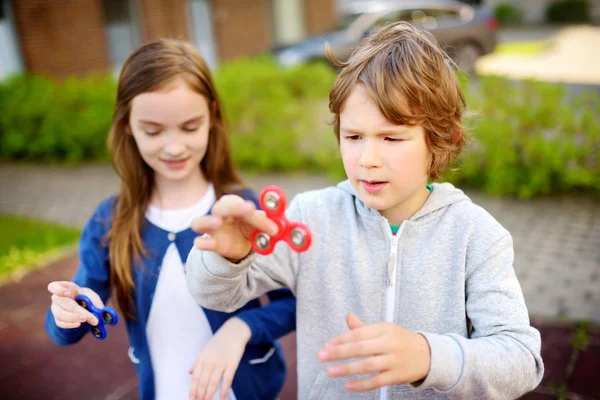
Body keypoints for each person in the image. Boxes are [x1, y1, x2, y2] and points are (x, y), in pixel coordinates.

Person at [185, 22, 544, 399]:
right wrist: (227, 258)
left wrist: (427, 356)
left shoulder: (475, 235)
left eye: (391, 138)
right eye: (353, 137)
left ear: (441, 140)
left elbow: (521, 361)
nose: (367, 160)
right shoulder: (310, 217)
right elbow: (214, 296)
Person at [45, 39, 296, 400]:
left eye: (190, 127)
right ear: (128, 125)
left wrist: (240, 328)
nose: (175, 147)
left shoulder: (244, 210)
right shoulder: (110, 222)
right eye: (153, 130)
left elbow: (293, 300)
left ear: (212, 116)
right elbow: (63, 330)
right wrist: (69, 310)